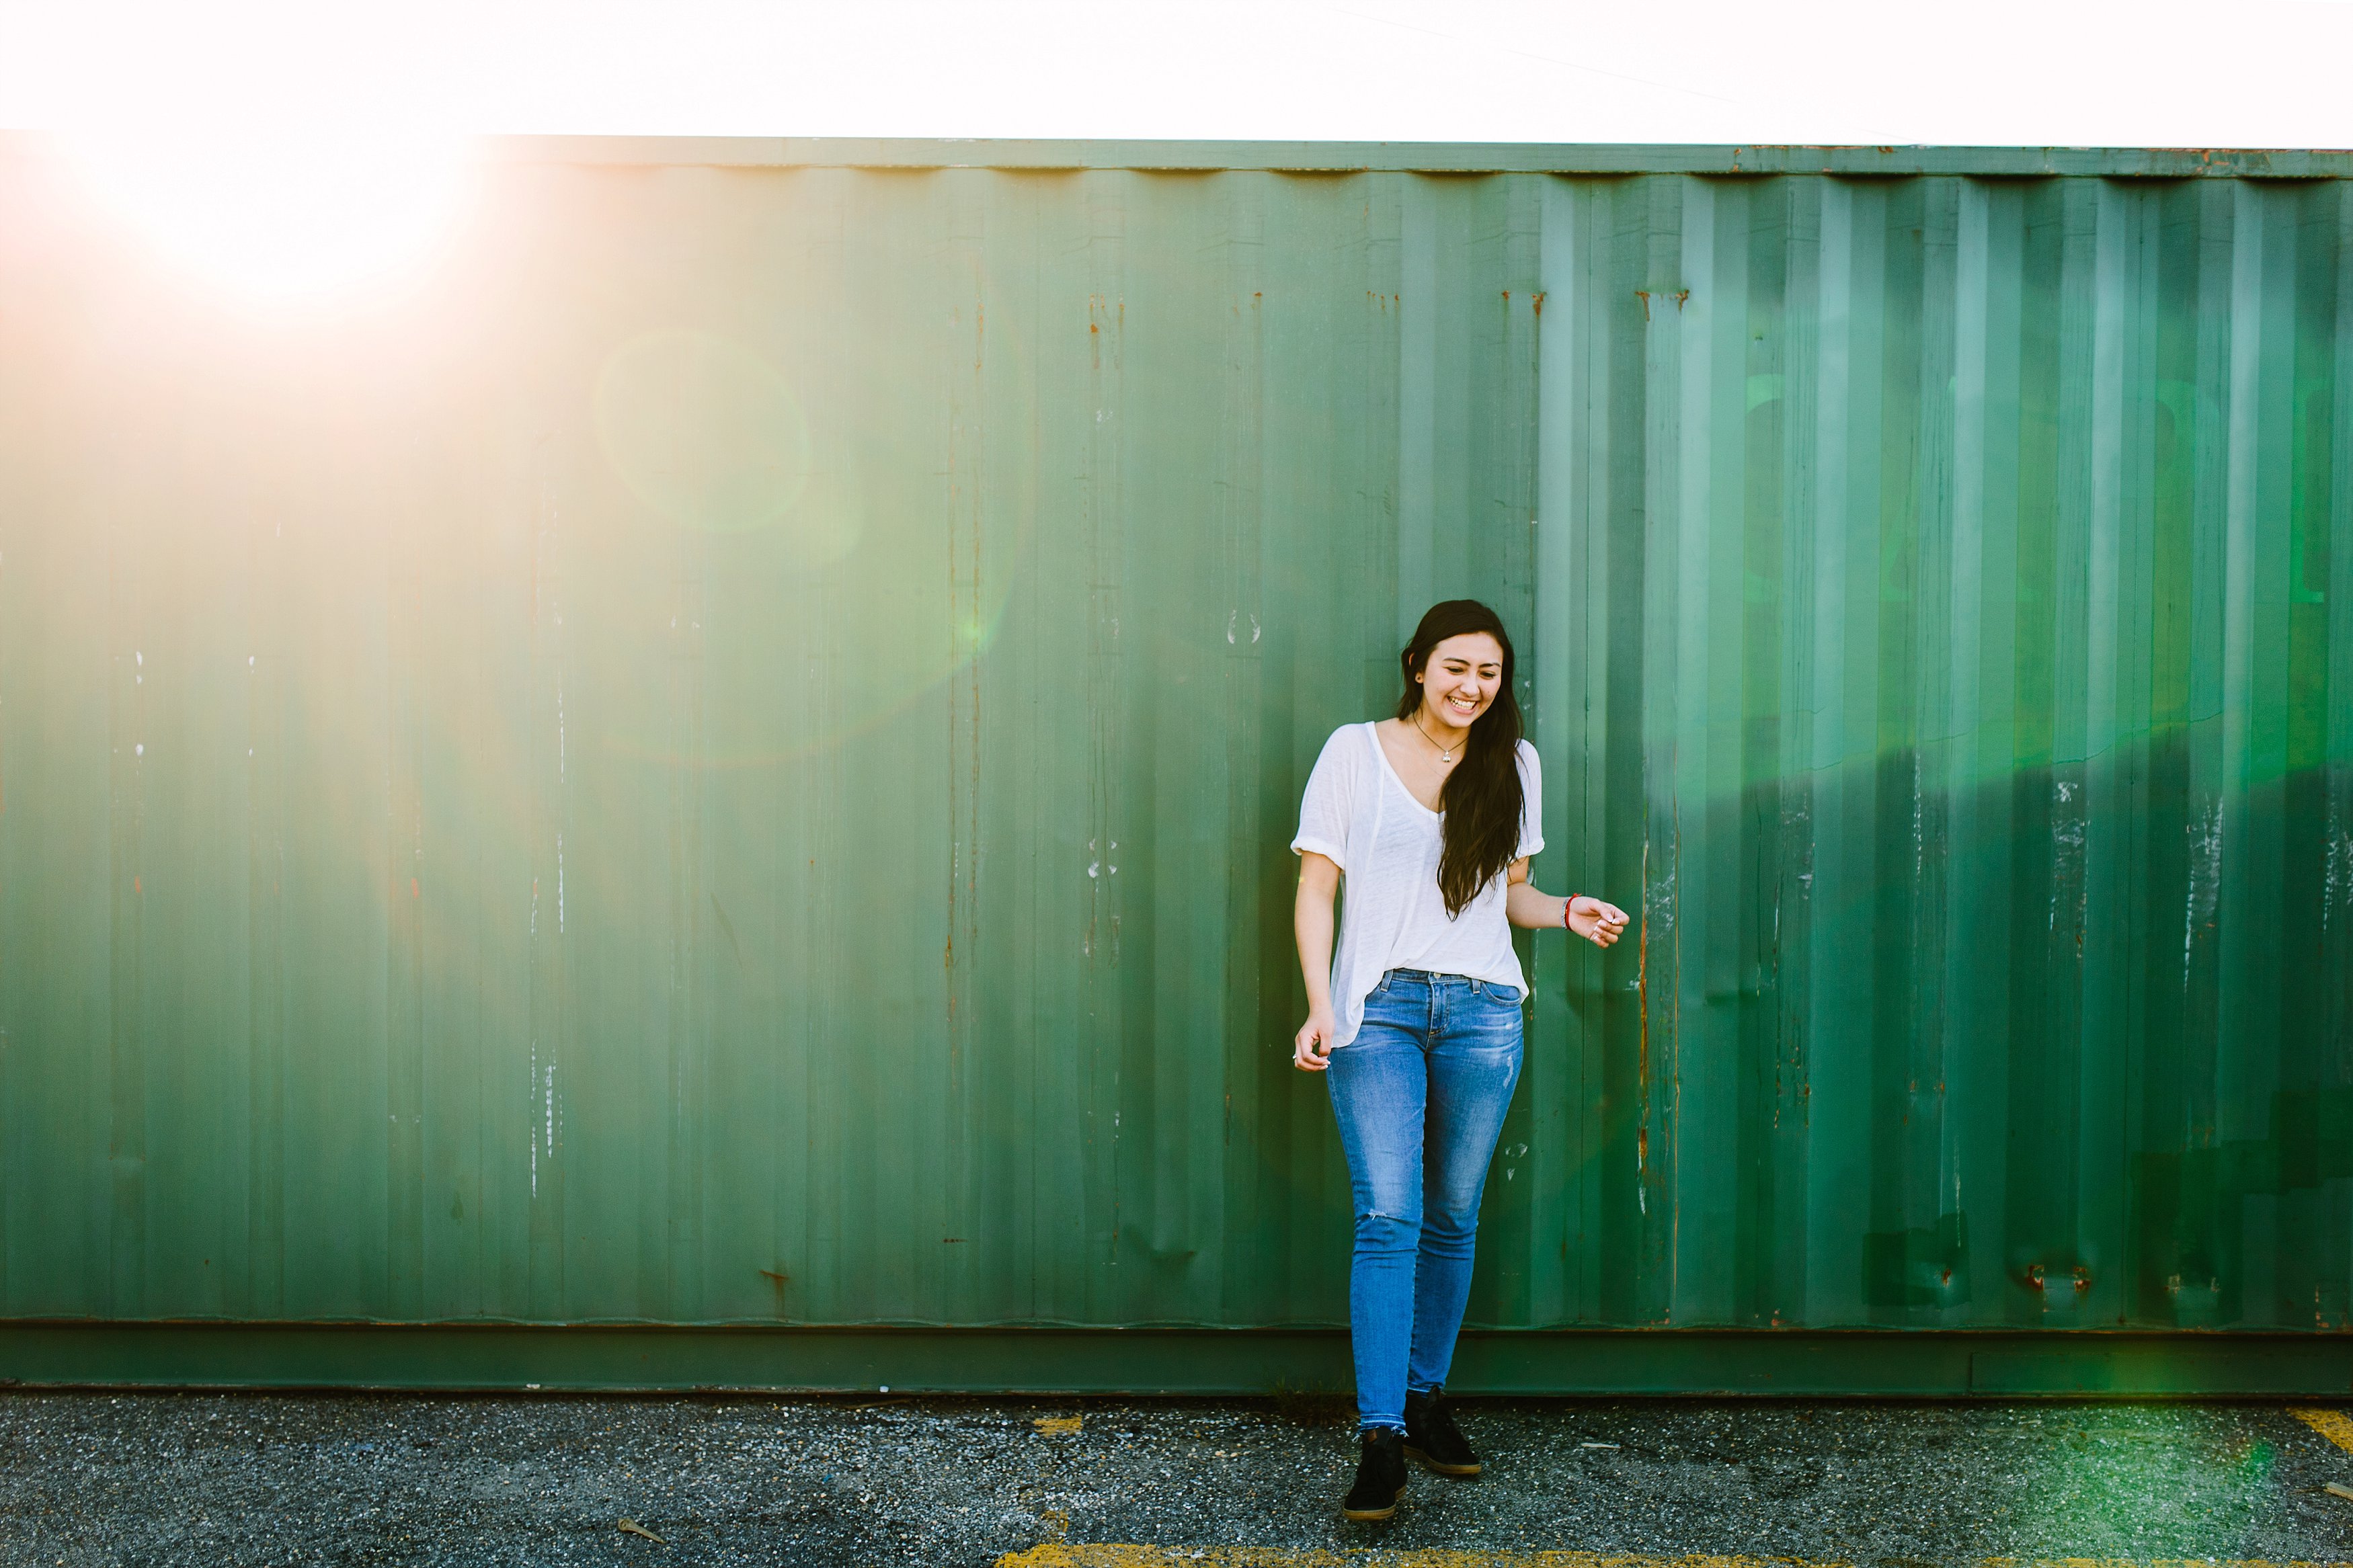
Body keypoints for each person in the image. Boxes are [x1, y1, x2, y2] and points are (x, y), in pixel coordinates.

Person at [1291, 598, 1629, 1522]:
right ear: (1417, 665)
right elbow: (1317, 890)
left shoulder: (1513, 762)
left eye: (1489, 673)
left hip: (1484, 1010)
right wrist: (1324, 1008)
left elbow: (1506, 898)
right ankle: (1380, 1438)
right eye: (1456, 668)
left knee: (1450, 1213)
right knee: (1389, 1215)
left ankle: (1426, 1396)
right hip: (1380, 1011)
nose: (1473, 687)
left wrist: (1564, 910)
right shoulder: (1353, 752)